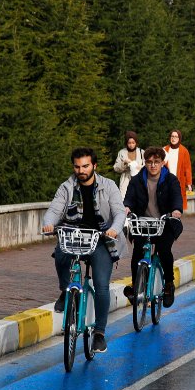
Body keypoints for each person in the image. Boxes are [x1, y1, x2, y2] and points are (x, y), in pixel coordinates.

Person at [42, 147, 126, 353]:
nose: (81, 170)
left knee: (101, 284)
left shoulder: (109, 185)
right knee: (61, 253)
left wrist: (114, 230)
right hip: (74, 236)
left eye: (86, 166)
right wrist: (49, 224)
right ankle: (65, 290)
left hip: (102, 239)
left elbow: (119, 212)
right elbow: (54, 209)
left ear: (94, 166)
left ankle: (99, 333)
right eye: (77, 166)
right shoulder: (67, 187)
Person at [122, 147, 183, 308]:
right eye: (149, 162)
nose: (153, 165)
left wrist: (176, 210)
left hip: (165, 223)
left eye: (156, 162)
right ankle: (136, 287)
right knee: (138, 251)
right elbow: (129, 198)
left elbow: (177, 196)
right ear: (145, 163)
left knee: (164, 250)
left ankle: (169, 284)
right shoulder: (137, 180)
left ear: (163, 163)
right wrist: (127, 207)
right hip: (143, 223)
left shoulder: (170, 179)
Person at [163, 129, 193, 210]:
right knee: (166, 202)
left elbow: (188, 167)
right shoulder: (164, 149)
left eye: (176, 137)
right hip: (166, 180)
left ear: (179, 138)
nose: (173, 138)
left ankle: (175, 219)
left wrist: (189, 183)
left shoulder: (184, 151)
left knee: (177, 203)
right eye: (172, 136)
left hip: (179, 181)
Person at [113, 131, 145, 200]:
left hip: (139, 179)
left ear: (136, 142)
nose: (131, 145)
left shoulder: (142, 152)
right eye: (129, 143)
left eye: (133, 143)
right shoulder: (122, 152)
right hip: (126, 179)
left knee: (139, 198)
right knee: (124, 200)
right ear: (126, 143)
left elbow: (147, 166)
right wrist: (124, 163)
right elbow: (116, 168)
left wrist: (140, 168)